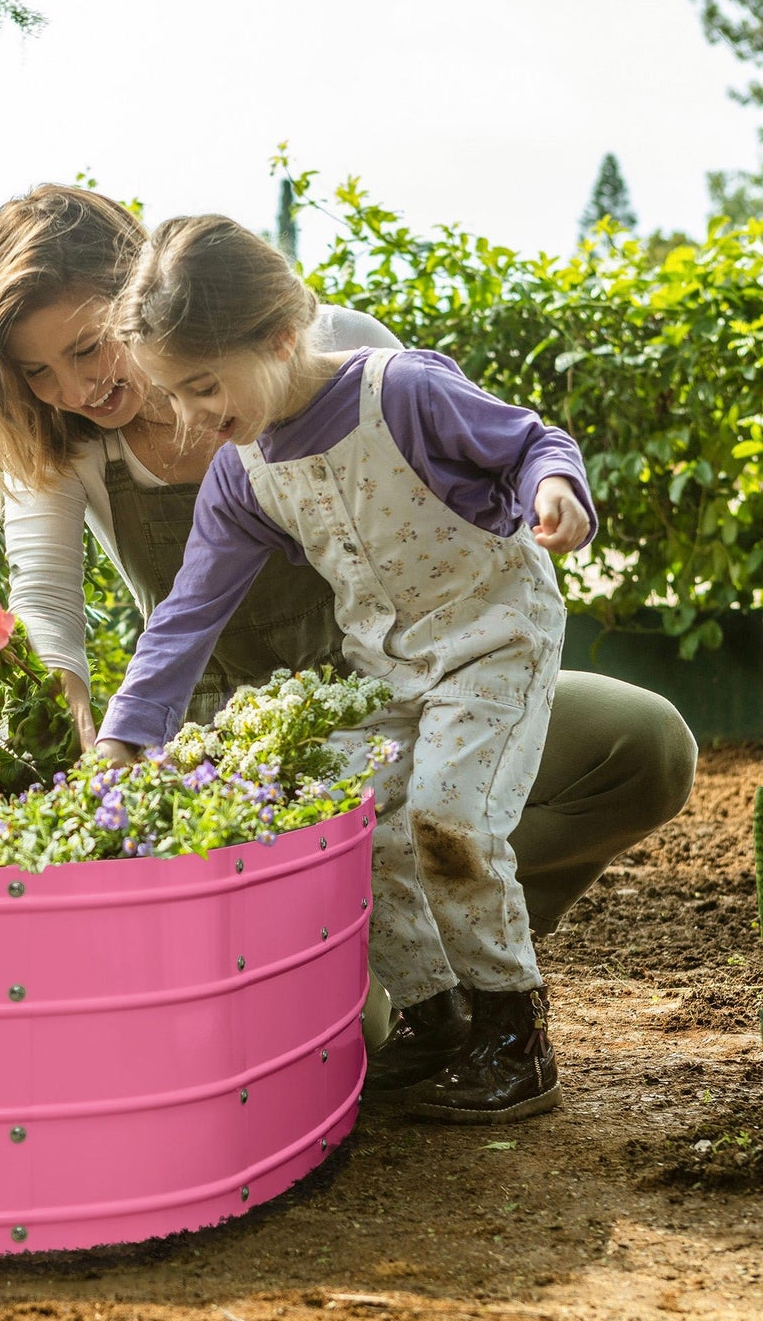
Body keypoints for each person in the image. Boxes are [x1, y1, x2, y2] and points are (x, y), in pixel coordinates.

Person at [0, 182, 698, 1099]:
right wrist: (105, 750)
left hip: (423, 679)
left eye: (89, 347)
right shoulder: (103, 451)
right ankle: (418, 989)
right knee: (366, 1005)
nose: (77, 389)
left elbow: (499, 450)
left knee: (624, 752)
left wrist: (549, 496)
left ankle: (491, 989)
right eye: (38, 374)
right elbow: (104, 613)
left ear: (146, 298)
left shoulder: (349, 359)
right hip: (263, 734)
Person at [92, 212, 601, 1122]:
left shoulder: (399, 392)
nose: (193, 417)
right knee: (348, 818)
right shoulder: (243, 473)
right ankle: (437, 1018)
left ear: (282, 335)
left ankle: (514, 1033)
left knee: (447, 820)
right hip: (389, 670)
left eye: (204, 385)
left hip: (494, 638)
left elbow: (530, 444)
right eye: (175, 395)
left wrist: (554, 491)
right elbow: (188, 613)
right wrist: (128, 734)